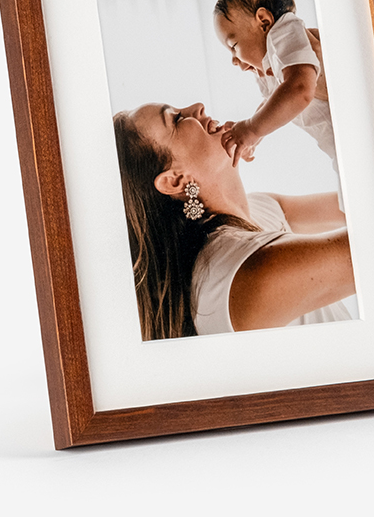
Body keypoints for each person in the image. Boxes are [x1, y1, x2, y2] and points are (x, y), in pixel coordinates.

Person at [113, 101, 355, 340]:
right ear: (175, 180)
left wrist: (300, 103)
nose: (198, 107)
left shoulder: (261, 208)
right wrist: (317, 110)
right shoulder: (241, 271)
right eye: (176, 119)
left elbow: (358, 204)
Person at [213, 0, 339, 205]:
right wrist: (252, 134)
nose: (233, 60)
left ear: (264, 22)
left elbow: (299, 89)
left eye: (234, 46)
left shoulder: (284, 31)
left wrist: (252, 129)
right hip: (339, 149)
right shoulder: (268, 66)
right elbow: (275, 100)